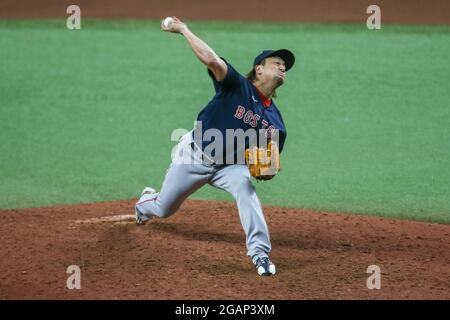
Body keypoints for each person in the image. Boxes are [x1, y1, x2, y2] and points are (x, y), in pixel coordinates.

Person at [135, 17, 295, 276]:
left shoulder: (276, 123)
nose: (282, 67)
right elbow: (211, 60)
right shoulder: (236, 86)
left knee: (246, 189)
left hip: (230, 166)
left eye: (285, 66)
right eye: (276, 62)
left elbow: (270, 163)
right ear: (259, 69)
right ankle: (145, 202)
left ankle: (259, 253)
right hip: (194, 156)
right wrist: (184, 29)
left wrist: (268, 170)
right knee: (164, 208)